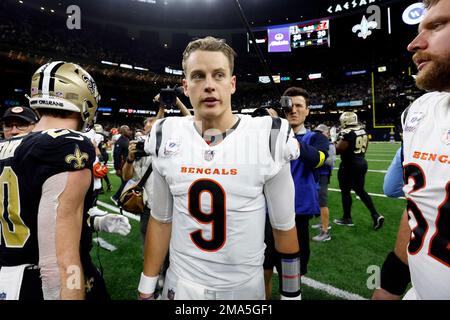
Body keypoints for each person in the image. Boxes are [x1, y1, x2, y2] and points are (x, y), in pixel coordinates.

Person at [138, 36, 301, 300]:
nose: (209, 86)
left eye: (219, 75)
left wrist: (292, 296)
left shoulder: (268, 136)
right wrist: (146, 285)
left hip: (243, 290)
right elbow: (161, 220)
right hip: (181, 285)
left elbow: (284, 228)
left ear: (232, 83)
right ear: (186, 86)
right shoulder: (165, 133)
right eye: (198, 76)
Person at [0, 61, 99, 300]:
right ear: (86, 101)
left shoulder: (6, 145)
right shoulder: (67, 143)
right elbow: (61, 263)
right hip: (35, 284)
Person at [373, 0, 450, 300]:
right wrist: (390, 283)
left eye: (437, 25)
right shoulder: (420, 111)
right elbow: (418, 209)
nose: (414, 44)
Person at [263, 88, 329, 298]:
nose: (293, 110)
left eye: (299, 105)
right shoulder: (270, 135)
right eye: (289, 105)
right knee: (262, 265)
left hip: (298, 213)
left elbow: (317, 160)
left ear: (308, 110)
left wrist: (283, 132)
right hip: (266, 211)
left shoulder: (315, 138)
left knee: (292, 270)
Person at [334, 111, 384, 230]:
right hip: (361, 162)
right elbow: (365, 147)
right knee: (360, 190)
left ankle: (347, 218)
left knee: (345, 191)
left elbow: (337, 150)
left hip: (349, 164)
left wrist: (334, 141)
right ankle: (375, 215)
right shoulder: (363, 130)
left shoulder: (347, 132)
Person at [312, 124, 336, 242]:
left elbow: (331, 161)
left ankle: (325, 232)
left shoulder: (330, 145)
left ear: (326, 133)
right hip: (317, 175)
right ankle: (322, 223)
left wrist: (317, 156)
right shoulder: (318, 143)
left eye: (320, 132)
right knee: (318, 201)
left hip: (323, 176)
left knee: (323, 203)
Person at [111, 125, 132, 205]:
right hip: (122, 166)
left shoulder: (126, 139)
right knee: (126, 182)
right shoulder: (120, 141)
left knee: (127, 182)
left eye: (129, 129)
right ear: (122, 131)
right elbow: (116, 155)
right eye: (127, 129)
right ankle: (116, 197)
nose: (129, 131)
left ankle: (120, 198)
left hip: (126, 165)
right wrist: (117, 168)